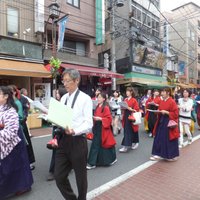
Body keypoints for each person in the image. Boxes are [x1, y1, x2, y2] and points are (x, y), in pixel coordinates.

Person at [54, 69, 93, 200]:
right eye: (63, 81)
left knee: (80, 178)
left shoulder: (85, 99)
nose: (64, 84)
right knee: (59, 176)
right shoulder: (64, 98)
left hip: (78, 141)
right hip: (63, 140)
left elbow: (89, 123)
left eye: (67, 81)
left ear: (77, 81)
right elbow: (61, 118)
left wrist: (75, 130)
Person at [0, 86, 33, 199]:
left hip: (12, 142)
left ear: (5, 97)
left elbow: (10, 131)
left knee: (14, 167)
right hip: (4, 141)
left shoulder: (11, 111)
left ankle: (22, 186)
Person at [87, 92, 117, 170]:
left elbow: (109, 118)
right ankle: (95, 162)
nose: (98, 99)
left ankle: (93, 163)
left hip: (103, 127)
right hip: (97, 126)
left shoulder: (105, 107)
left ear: (104, 99)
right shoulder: (97, 106)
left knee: (102, 144)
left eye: (100, 97)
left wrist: (100, 119)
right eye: (98, 97)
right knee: (97, 144)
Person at [10, 85, 36, 170]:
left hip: (21, 124)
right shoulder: (9, 101)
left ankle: (29, 162)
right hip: (13, 126)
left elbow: (25, 111)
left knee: (26, 144)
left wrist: (23, 118)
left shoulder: (22, 100)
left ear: (14, 91)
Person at [150, 88, 179, 161]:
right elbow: (160, 110)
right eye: (161, 92)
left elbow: (176, 114)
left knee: (168, 138)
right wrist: (157, 112)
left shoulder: (172, 101)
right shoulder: (162, 101)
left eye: (163, 92)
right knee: (159, 137)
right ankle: (158, 154)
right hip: (161, 121)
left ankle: (171, 155)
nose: (162, 93)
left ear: (168, 93)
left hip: (169, 122)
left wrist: (166, 112)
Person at [47, 86, 67, 181]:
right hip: (56, 129)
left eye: (58, 93)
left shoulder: (66, 104)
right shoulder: (57, 103)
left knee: (60, 150)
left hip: (62, 129)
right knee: (56, 149)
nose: (57, 95)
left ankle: (55, 171)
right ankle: (54, 170)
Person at [119, 87, 140, 152]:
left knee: (131, 130)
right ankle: (134, 142)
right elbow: (123, 108)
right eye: (126, 91)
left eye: (128, 91)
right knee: (127, 130)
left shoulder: (134, 100)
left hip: (131, 116)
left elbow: (136, 109)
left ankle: (126, 146)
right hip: (126, 116)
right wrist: (122, 107)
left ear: (131, 92)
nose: (127, 92)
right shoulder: (125, 99)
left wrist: (130, 109)